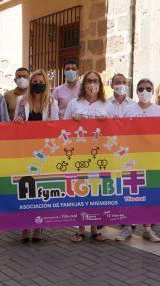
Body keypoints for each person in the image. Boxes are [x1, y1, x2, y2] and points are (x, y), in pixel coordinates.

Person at [113, 79, 160, 242]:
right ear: (136, 91)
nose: (144, 91)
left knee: (149, 192)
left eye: (148, 88)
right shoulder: (128, 109)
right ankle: (127, 227)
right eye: (141, 89)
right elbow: (120, 131)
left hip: (152, 158)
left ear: (153, 91)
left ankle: (148, 228)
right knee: (131, 191)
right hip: (131, 157)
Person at [13, 70, 59, 243]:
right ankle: (25, 226)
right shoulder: (21, 100)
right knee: (25, 187)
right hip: (25, 151)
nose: (37, 84)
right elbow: (15, 123)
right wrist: (17, 119)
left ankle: (38, 226)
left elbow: (56, 126)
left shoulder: (52, 103)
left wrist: (51, 125)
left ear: (45, 84)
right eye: (35, 81)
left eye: (41, 81)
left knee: (40, 188)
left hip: (44, 152)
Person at [63, 71, 109, 242]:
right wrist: (72, 121)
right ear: (83, 84)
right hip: (78, 153)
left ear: (100, 84)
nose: (92, 84)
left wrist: (107, 122)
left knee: (96, 190)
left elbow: (115, 130)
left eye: (95, 81)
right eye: (89, 81)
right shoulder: (74, 103)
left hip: (99, 153)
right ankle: (80, 229)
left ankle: (95, 229)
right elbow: (63, 128)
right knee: (80, 189)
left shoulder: (106, 104)